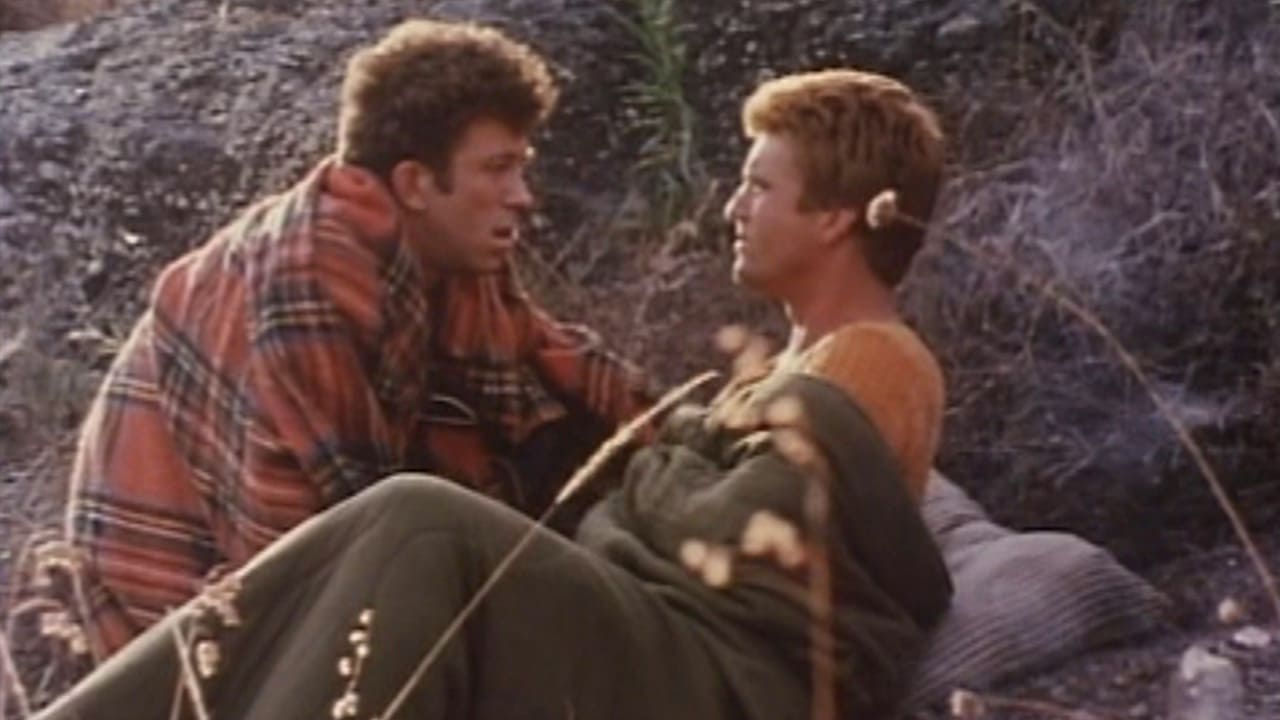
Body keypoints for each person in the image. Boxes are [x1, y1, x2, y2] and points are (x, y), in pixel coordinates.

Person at [35, 67, 952, 720]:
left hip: (723, 673)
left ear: (837, 217)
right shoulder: (784, 363)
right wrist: (656, 465)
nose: (733, 209)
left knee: (421, 522)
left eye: (759, 186)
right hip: (664, 635)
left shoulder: (873, 358)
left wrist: (638, 482)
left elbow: (751, 544)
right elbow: (670, 473)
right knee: (351, 548)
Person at [56, 19, 651, 660]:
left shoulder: (445, 251)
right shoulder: (311, 275)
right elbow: (361, 528)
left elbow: (551, 357)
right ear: (415, 183)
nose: (523, 197)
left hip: (323, 544)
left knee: (569, 445)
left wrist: (685, 430)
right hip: (173, 604)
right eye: (498, 169)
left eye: (521, 168)